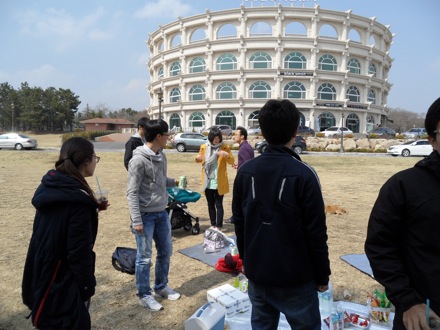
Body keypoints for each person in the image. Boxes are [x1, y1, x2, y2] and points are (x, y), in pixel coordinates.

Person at [232, 99, 331, 329]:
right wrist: (322, 274)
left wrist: (246, 259)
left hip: (258, 273)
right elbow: (316, 231)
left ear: (262, 131)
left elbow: (239, 222)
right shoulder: (304, 174)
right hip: (294, 279)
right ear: (296, 131)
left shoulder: (246, 171)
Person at [365, 97, 440, 330]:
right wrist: (408, 300)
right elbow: (380, 247)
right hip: (425, 315)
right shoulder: (404, 186)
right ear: (432, 140)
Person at [22, 137, 104, 330]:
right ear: (86, 161)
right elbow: (78, 252)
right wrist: (86, 289)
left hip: (40, 269)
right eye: (95, 158)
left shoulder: (52, 185)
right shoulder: (77, 201)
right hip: (61, 283)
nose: (95, 162)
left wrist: (93, 208)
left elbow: (61, 224)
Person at [127, 119, 181, 312]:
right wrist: (136, 220)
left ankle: (160, 287)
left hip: (161, 212)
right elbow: (132, 192)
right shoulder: (138, 160)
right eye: (167, 135)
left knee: (165, 252)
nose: (170, 138)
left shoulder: (162, 155)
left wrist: (172, 182)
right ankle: (144, 294)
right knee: (144, 257)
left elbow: (159, 181)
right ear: (159, 136)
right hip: (144, 216)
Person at [195, 126, 235, 230]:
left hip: (219, 180)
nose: (216, 140)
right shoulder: (204, 146)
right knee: (210, 204)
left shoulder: (224, 147)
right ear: (211, 137)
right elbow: (198, 158)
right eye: (215, 137)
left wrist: (225, 154)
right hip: (208, 181)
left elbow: (231, 161)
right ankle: (213, 224)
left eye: (218, 138)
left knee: (219, 204)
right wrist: (198, 158)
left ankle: (219, 225)